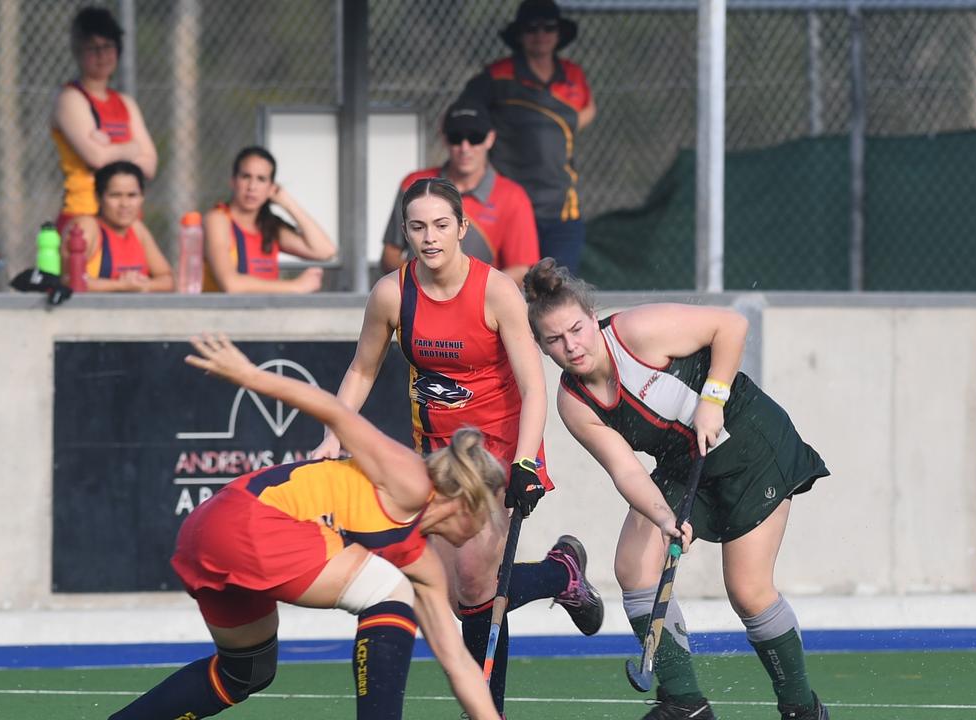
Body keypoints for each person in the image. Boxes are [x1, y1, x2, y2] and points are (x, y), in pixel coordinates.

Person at [313, 177, 601, 716]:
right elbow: (361, 369)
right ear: (405, 232)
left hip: (501, 450)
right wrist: (333, 433)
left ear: (462, 228)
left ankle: (489, 709)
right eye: (418, 227)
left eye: (442, 225)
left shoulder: (496, 291)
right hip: (440, 454)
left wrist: (525, 462)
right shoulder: (391, 294)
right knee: (441, 590)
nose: (430, 237)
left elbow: (533, 384)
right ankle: (562, 572)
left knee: (475, 582)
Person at [107, 333, 507, 720]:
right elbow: (334, 411)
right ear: (465, 498)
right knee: (390, 589)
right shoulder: (411, 478)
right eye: (487, 513)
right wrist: (250, 377)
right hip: (252, 521)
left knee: (245, 672)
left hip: (206, 530)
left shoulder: (422, 563)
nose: (485, 528)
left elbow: (458, 665)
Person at [523, 257, 832, 720]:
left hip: (749, 442)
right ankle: (685, 703)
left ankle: (802, 709)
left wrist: (713, 397)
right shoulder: (574, 404)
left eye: (576, 330)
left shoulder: (638, 331)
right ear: (543, 348)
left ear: (592, 318)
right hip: (684, 464)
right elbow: (626, 472)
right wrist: (665, 518)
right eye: (555, 340)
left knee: (747, 590)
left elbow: (730, 326)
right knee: (634, 564)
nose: (572, 346)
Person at [459, 0, 596, 275]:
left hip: (561, 205)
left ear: (558, 33)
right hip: (514, 204)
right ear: (520, 35)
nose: (541, 35)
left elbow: (588, 109)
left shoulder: (572, 74)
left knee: (561, 289)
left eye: (549, 27)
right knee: (515, 288)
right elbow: (459, 120)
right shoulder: (497, 76)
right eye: (532, 28)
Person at [380, 100, 539, 287]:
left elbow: (521, 269)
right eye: (456, 137)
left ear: (490, 138)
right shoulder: (414, 185)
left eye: (475, 137)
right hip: (418, 299)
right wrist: (421, 285)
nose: (465, 148)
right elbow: (390, 255)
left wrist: (467, 293)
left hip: (481, 306)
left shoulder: (513, 196)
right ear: (444, 138)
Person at [51, 5, 158, 235]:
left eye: (107, 46)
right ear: (78, 51)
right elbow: (97, 158)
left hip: (126, 219)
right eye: (93, 48)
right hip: (85, 216)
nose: (101, 55)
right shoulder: (70, 99)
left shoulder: (125, 103)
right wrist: (131, 148)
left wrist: (110, 148)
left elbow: (150, 164)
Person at [202, 146, 335, 294]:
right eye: (246, 176)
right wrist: (296, 286)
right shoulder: (218, 219)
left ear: (271, 187)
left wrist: (287, 202)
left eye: (261, 179)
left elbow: (325, 251)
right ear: (233, 181)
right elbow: (231, 285)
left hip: (266, 315)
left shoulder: (269, 226)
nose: (252, 187)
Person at [61, 161, 173, 293]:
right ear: (98, 198)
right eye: (115, 195)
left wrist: (143, 285)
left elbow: (168, 280)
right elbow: (71, 281)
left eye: (132, 195)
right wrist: (121, 286)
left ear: (142, 198)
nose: (124, 204)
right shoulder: (86, 227)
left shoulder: (137, 229)